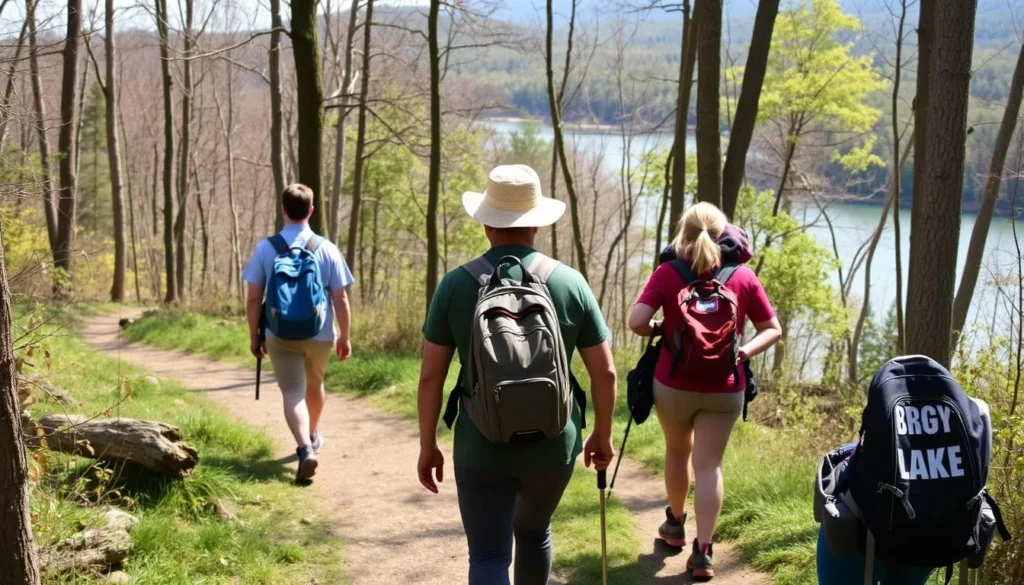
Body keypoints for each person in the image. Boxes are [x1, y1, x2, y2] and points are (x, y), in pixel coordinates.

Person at [416, 164, 617, 585]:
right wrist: (601, 433)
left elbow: (430, 377)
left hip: (479, 443)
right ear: (538, 224)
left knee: (488, 555)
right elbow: (607, 373)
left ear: (487, 224)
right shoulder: (570, 283)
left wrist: (429, 443)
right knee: (533, 533)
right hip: (553, 443)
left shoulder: (454, 286)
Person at [628, 202, 782, 581]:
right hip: (726, 385)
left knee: (678, 451)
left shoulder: (667, 273)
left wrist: (663, 329)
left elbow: (636, 323)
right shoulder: (743, 276)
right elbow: (772, 328)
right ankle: (704, 553)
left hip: (673, 383)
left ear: (683, 230)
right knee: (709, 465)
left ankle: (675, 525)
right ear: (724, 232)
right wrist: (742, 352)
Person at [243, 183, 354, 485]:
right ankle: (313, 436)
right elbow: (340, 298)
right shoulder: (327, 248)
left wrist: (255, 336)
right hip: (319, 333)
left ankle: (305, 447)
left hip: (279, 333)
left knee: (293, 391)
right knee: (314, 385)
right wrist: (344, 336)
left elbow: (254, 298)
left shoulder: (267, 248)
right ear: (311, 211)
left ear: (283, 210)